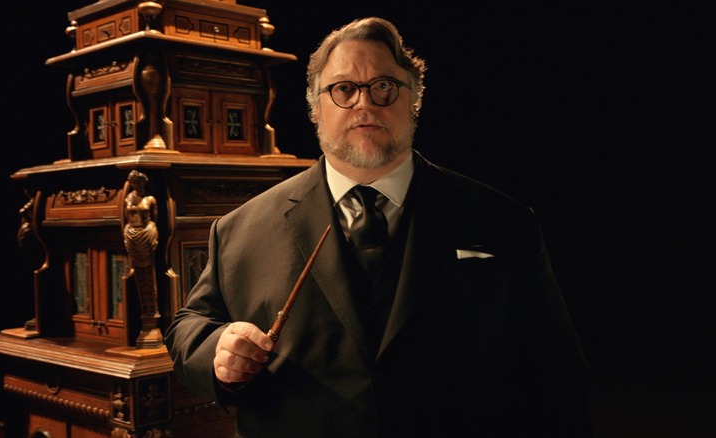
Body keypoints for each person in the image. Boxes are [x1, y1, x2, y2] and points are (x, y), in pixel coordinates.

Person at [164, 17, 593, 437]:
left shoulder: (504, 223)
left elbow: (557, 378)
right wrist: (218, 348)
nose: (364, 104)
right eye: (344, 89)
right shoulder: (240, 229)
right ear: (315, 108)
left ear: (415, 101)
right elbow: (189, 324)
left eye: (384, 87)